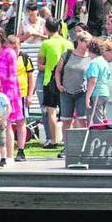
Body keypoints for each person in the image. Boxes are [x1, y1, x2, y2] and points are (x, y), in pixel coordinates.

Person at [0, 27, 23, 164]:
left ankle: (9, 156)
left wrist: (9, 98)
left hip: (7, 93)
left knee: (6, 124)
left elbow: (13, 76)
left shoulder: (9, 53)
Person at [37, 18, 72, 148]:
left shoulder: (46, 43)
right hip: (66, 79)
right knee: (67, 112)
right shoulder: (69, 43)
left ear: (46, 28)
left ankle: (52, 140)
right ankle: (66, 140)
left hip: (50, 79)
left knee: (51, 111)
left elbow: (40, 65)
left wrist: (49, 67)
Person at [54, 32, 93, 141]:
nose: (88, 45)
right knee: (66, 120)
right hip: (66, 92)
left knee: (82, 119)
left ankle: (82, 142)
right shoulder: (67, 54)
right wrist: (58, 85)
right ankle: (67, 143)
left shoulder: (90, 57)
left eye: (89, 42)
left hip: (82, 92)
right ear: (79, 41)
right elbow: (58, 71)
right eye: (86, 42)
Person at [4, 35, 35, 161]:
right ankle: (7, 151)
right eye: (11, 49)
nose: (14, 51)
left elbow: (31, 78)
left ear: (20, 46)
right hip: (7, 95)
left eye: (16, 48)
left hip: (21, 94)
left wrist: (30, 95)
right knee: (7, 122)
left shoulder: (25, 58)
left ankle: (21, 150)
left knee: (21, 122)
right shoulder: (4, 58)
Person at [83, 38, 110, 125]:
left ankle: (99, 134)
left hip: (96, 94)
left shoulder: (94, 63)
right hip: (105, 93)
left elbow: (93, 81)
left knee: (97, 122)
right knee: (102, 118)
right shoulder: (104, 61)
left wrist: (87, 97)